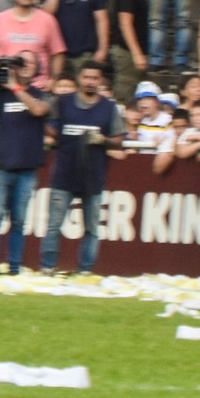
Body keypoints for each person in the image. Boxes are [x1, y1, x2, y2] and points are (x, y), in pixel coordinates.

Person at [38, 64, 127, 274]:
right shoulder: (62, 102)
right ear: (79, 78)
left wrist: (103, 139)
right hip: (64, 174)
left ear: (100, 80)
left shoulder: (108, 107)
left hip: (93, 177)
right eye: (86, 77)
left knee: (92, 229)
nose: (90, 81)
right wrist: (49, 131)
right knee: (53, 225)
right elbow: (49, 125)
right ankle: (47, 268)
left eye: (94, 78)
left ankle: (85, 270)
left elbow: (119, 139)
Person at [0, 53, 49, 274]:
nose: (25, 65)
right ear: (14, 69)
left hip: (26, 165)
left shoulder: (40, 94)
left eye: (31, 62)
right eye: (21, 62)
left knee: (18, 219)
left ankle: (15, 265)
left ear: (37, 69)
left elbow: (39, 110)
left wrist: (15, 87)